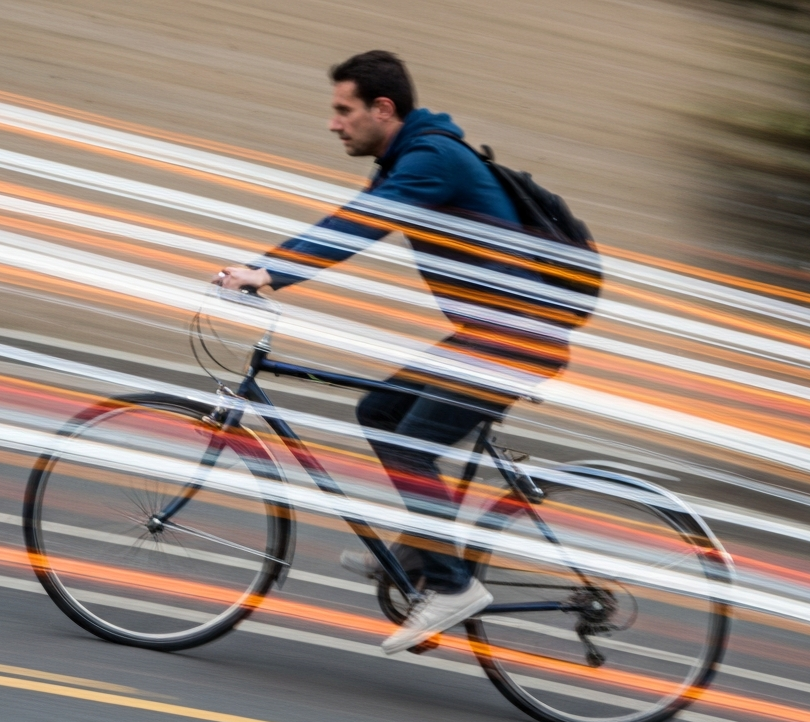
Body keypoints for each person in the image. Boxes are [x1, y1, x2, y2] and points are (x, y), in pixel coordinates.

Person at [214, 51, 572, 654]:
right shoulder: (410, 157)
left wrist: (268, 273)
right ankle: (424, 551)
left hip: (513, 340)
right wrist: (262, 266)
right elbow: (348, 218)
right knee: (379, 412)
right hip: (493, 335)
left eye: (343, 110)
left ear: (383, 109)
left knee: (410, 444)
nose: (334, 124)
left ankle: (452, 586)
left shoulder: (431, 159)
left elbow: (358, 225)